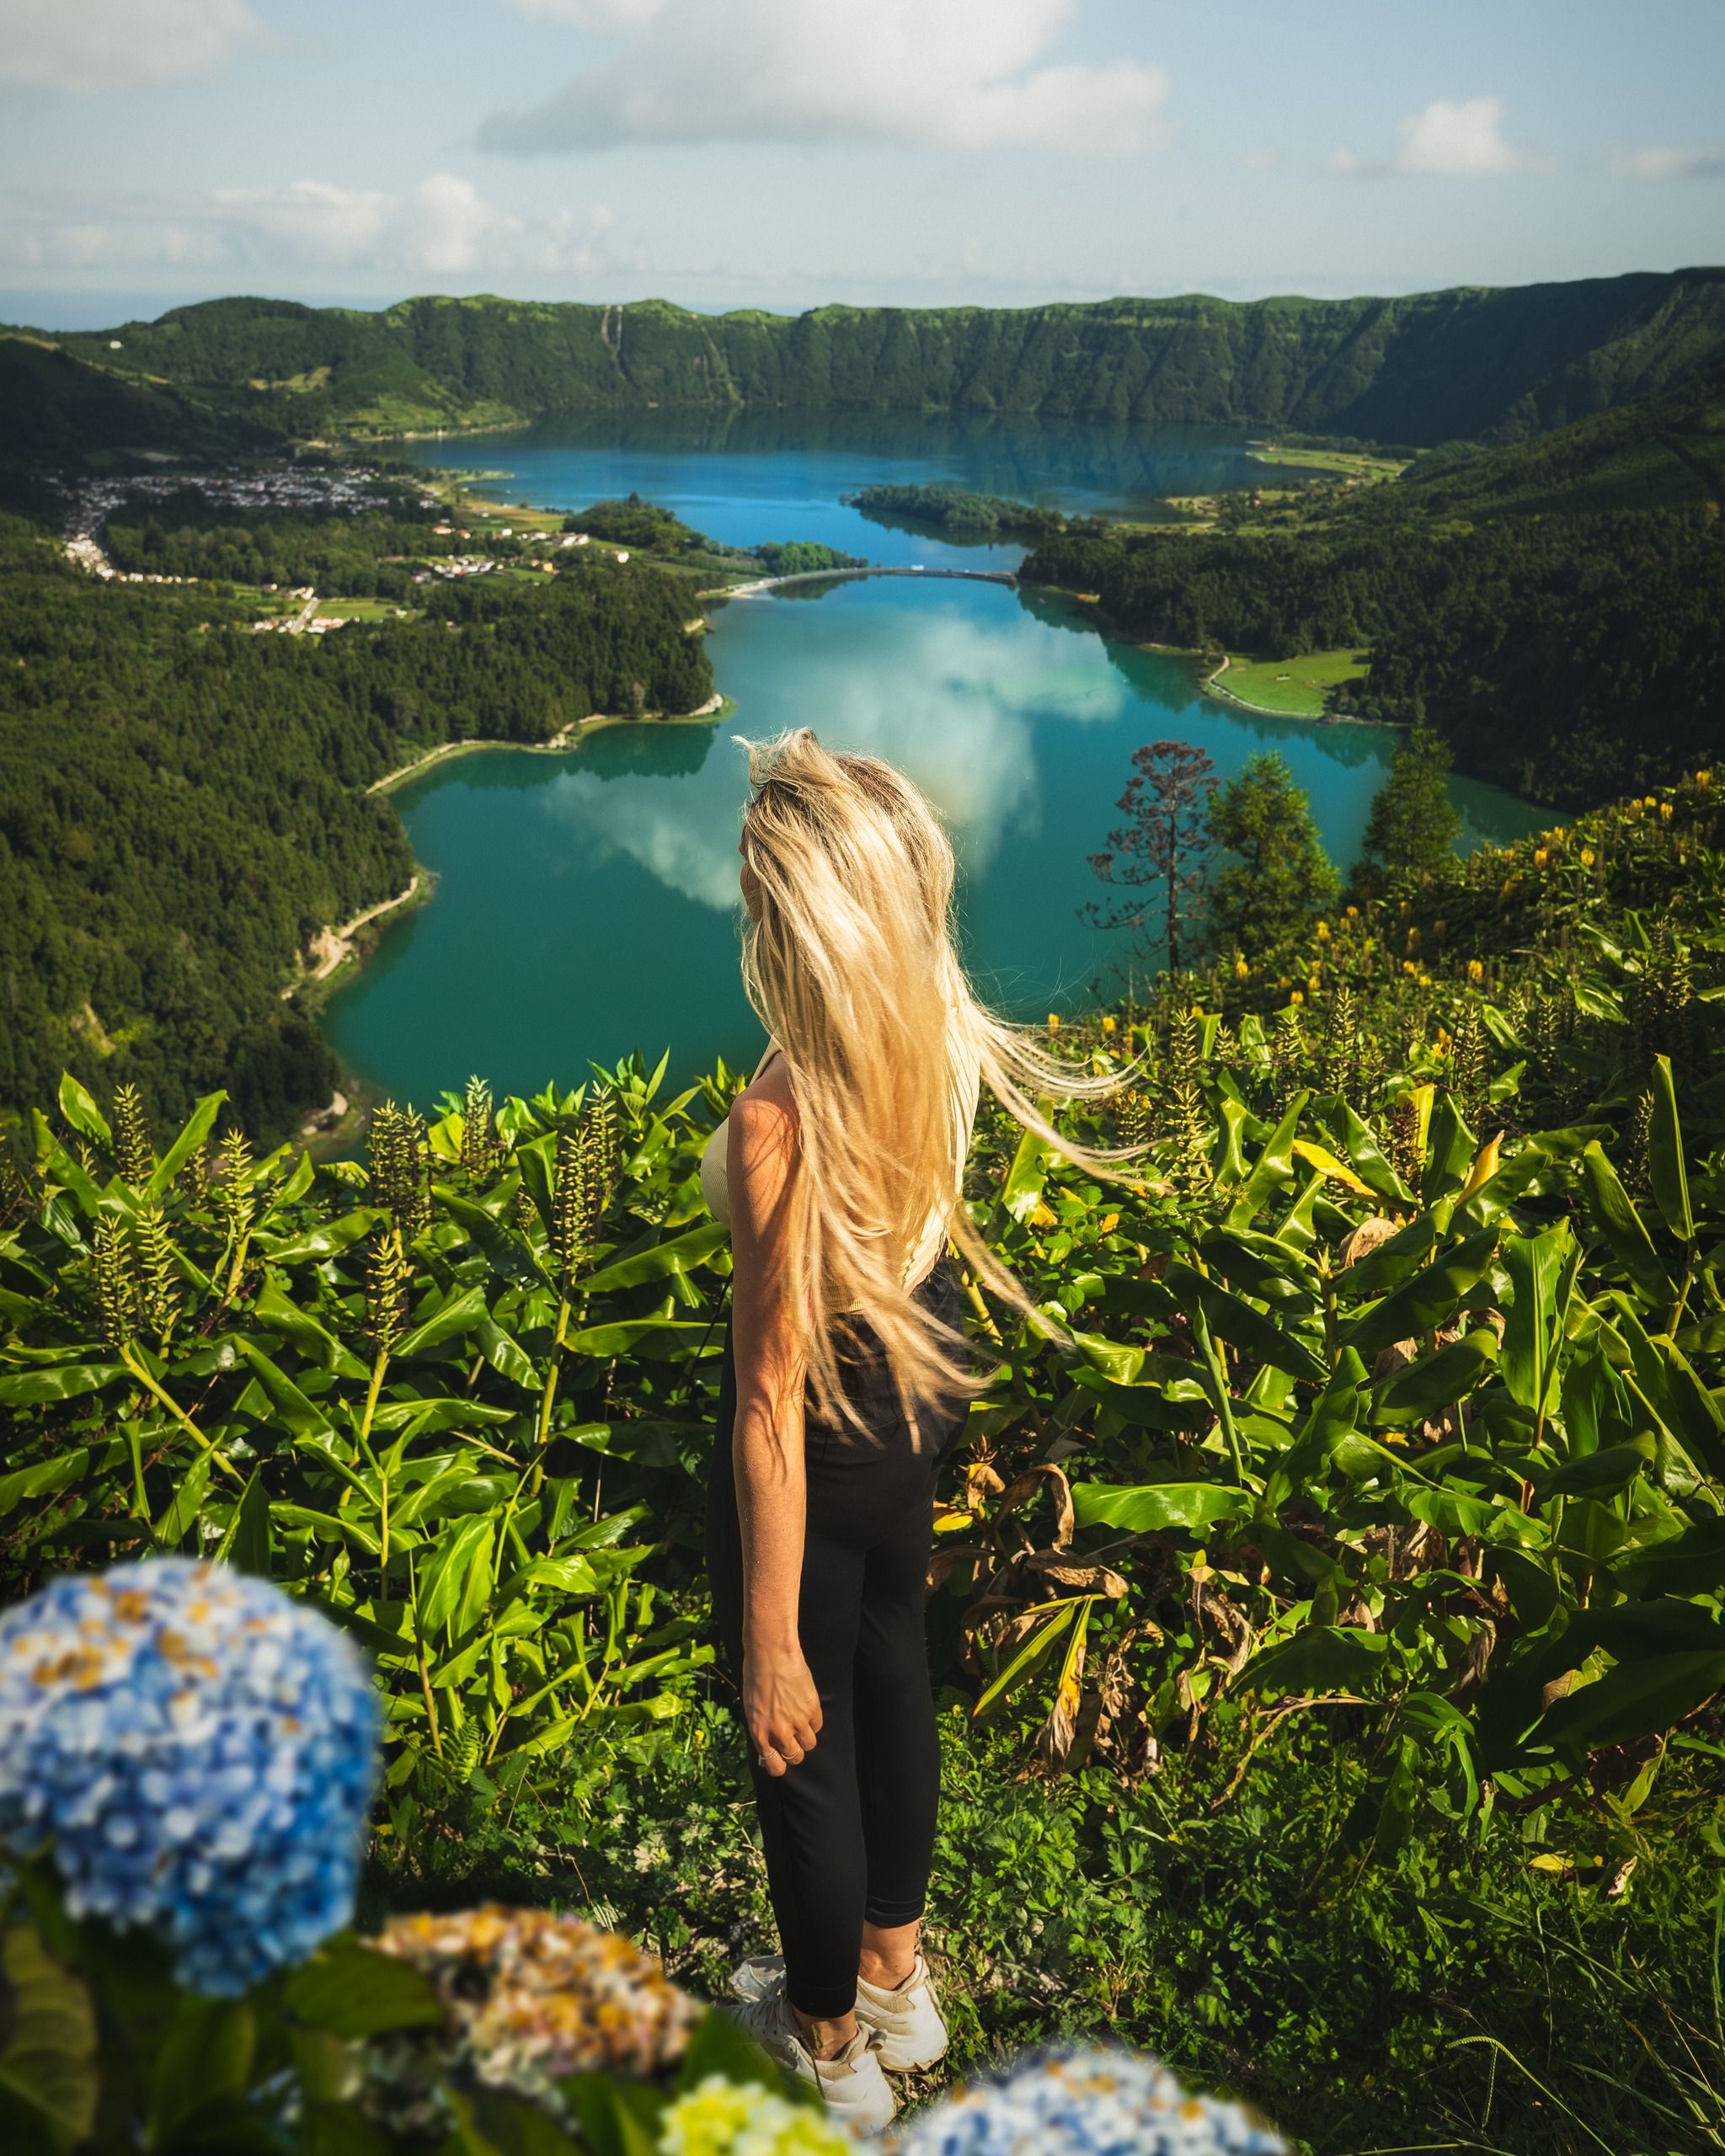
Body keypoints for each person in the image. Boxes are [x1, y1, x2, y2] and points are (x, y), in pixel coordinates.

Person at [701, 729, 1128, 2134]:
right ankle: (899, 1978)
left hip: (821, 1441)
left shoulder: (781, 1119)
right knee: (894, 1681)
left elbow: (765, 1402)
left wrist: (763, 1644)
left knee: (800, 1744)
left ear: (797, 922)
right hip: (917, 1401)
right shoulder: (929, 1024)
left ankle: (829, 2050)